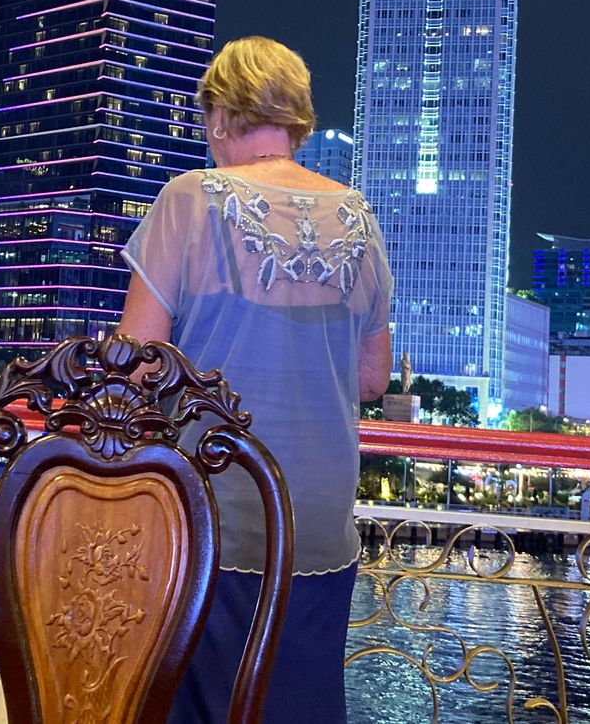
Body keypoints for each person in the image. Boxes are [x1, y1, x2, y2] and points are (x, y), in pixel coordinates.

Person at [118, 36, 393, 723]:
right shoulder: (359, 216)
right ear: (295, 118)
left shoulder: (190, 199)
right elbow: (373, 378)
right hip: (318, 520)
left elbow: (135, 363)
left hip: (215, 509)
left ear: (220, 115)